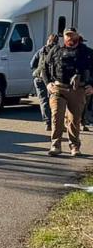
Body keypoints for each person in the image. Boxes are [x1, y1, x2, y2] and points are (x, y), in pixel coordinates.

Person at [41, 28, 93, 157]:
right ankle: (55, 145)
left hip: (78, 90)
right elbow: (44, 68)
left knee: (74, 120)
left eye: (71, 35)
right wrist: (48, 83)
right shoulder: (56, 51)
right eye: (67, 36)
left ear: (77, 36)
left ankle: (74, 146)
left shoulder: (87, 52)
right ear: (63, 38)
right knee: (57, 116)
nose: (69, 38)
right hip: (59, 88)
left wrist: (91, 85)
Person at [31, 34, 59, 131]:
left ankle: (47, 123)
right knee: (55, 101)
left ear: (48, 40)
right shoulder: (57, 51)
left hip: (39, 78)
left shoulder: (41, 50)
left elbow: (32, 64)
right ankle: (55, 122)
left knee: (43, 101)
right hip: (52, 80)